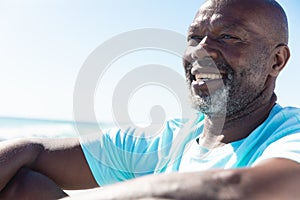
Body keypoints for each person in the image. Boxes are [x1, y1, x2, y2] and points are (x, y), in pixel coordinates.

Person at [1, 0, 300, 199]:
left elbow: (238, 189)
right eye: (194, 38)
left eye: (229, 37)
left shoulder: (290, 136)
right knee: (22, 188)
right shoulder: (168, 140)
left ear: (276, 61)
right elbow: (34, 151)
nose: (200, 52)